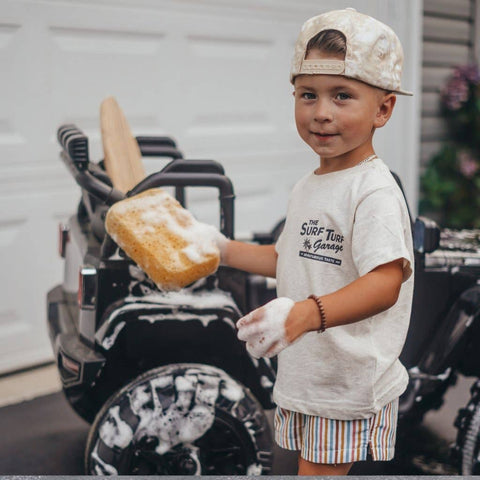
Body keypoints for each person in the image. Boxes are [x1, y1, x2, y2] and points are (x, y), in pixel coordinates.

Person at [215, 8, 414, 476]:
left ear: (383, 109)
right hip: (310, 372)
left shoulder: (374, 191)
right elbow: (286, 259)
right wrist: (217, 249)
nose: (321, 112)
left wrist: (305, 314)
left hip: (345, 380)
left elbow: (386, 283)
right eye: (309, 95)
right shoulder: (310, 184)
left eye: (342, 95)